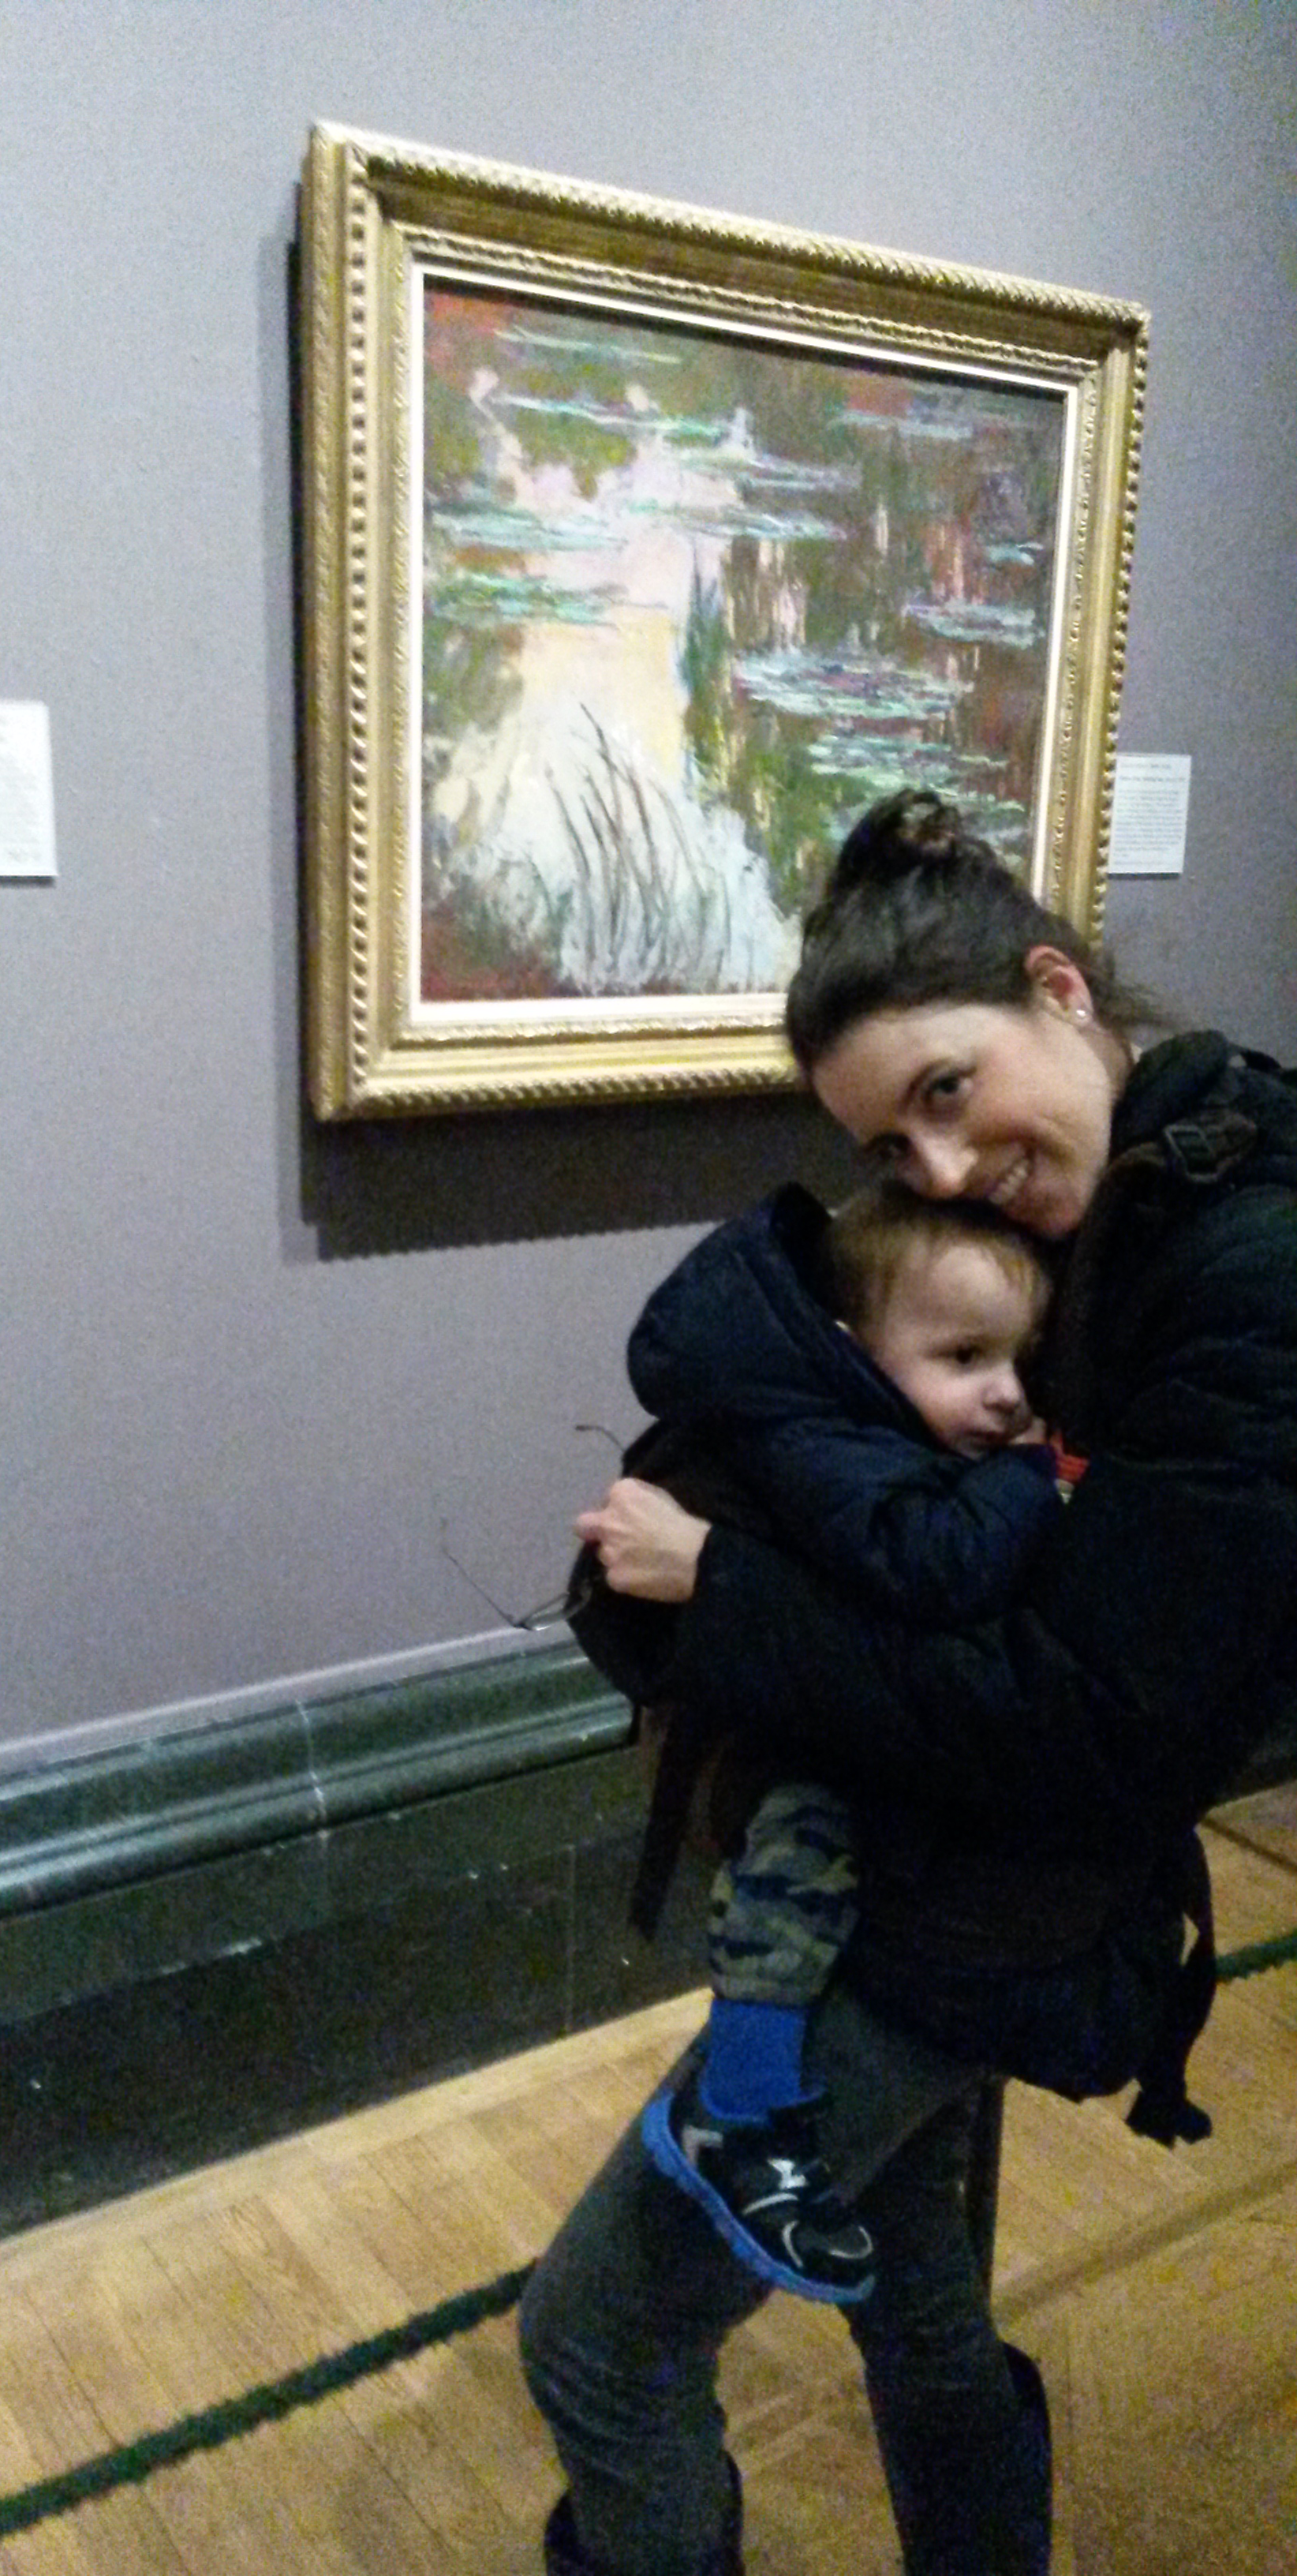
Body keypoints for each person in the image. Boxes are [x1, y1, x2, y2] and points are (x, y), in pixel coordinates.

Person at [520, 788, 1297, 2576]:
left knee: (600, 2338)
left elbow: (1094, 1720)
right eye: (894, 1142)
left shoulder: (1239, 1264)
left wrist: (725, 1587)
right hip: (940, 1872)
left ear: (1059, 992)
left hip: (972, 1912)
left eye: (950, 1091)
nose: (937, 1170)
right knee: (920, 2309)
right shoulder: (1122, 1216)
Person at [570, 1180, 1062, 2308]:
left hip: (843, 1724)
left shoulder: (860, 1420)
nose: (1007, 1395)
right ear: (854, 1350)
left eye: (1020, 1360)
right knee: (802, 1862)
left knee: (916, 2227)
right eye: (965, 1358)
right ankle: (736, 2108)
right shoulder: (828, 1438)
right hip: (779, 1748)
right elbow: (932, 1564)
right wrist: (1030, 1478)